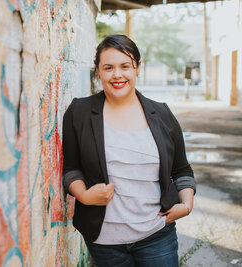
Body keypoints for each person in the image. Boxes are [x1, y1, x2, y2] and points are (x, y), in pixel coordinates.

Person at [62, 34, 196, 267]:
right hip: (104, 243)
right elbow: (71, 168)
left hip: (157, 236)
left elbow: (182, 169)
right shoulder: (79, 112)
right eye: (108, 67)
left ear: (137, 68)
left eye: (125, 66)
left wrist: (186, 205)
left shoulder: (162, 114)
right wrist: (83, 195)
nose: (117, 75)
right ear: (98, 70)